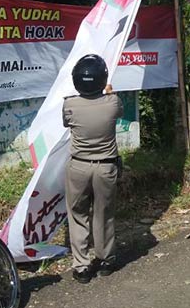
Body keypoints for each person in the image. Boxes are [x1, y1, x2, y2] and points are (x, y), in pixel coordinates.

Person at [63, 54, 124, 284]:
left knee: (78, 215)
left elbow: (66, 123)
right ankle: (106, 260)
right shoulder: (113, 103)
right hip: (105, 167)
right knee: (104, 214)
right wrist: (108, 92)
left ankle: (81, 267)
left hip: (78, 166)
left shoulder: (69, 105)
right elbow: (117, 109)